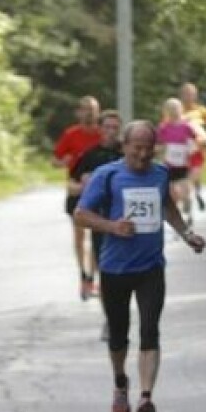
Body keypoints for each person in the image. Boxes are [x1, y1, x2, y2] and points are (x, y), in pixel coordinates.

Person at [74, 120, 206, 412]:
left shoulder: (160, 174)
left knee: (150, 329)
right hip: (115, 268)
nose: (143, 154)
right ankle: (121, 384)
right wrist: (111, 226)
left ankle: (146, 398)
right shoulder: (108, 175)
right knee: (119, 335)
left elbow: (167, 208)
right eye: (137, 148)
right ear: (125, 146)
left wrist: (187, 234)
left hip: (151, 268)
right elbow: (81, 215)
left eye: (149, 148)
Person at [71, 109, 123, 341]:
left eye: (116, 127)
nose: (112, 132)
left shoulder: (128, 153)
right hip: (102, 223)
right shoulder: (89, 156)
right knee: (107, 275)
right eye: (108, 127)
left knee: (126, 275)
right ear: (100, 129)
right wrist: (86, 186)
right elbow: (70, 187)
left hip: (127, 222)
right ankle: (110, 320)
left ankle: (118, 316)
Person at [54, 95, 102, 299]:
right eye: (85, 109)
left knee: (97, 237)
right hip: (76, 189)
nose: (89, 112)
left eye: (93, 109)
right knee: (80, 236)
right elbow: (54, 160)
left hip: (99, 191)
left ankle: (91, 278)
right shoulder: (71, 134)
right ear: (79, 112)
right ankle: (83, 274)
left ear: (98, 112)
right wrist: (64, 161)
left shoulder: (103, 135)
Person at [155, 97, 199, 224]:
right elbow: (158, 145)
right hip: (168, 164)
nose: (174, 111)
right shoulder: (163, 128)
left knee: (185, 190)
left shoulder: (187, 127)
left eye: (176, 108)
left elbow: (195, 143)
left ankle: (189, 211)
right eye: (171, 109)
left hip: (183, 163)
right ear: (166, 111)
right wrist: (162, 150)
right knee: (173, 192)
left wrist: (190, 149)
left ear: (181, 110)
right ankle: (178, 218)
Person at [179, 82, 206, 212]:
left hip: (198, 149)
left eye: (192, 94)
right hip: (182, 150)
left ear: (195, 96)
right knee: (185, 176)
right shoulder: (177, 110)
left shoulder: (201, 110)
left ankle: (195, 195)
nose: (189, 97)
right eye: (186, 94)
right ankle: (188, 199)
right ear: (182, 95)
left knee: (195, 175)